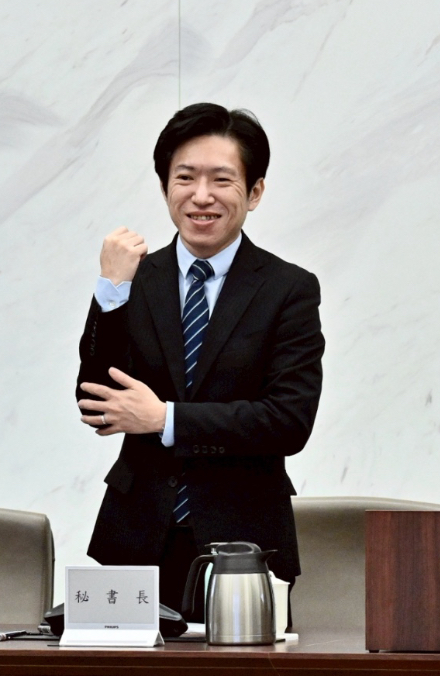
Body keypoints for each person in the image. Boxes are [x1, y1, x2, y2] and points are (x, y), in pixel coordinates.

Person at [75, 103, 324, 618]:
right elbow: (96, 405)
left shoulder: (288, 290)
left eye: (221, 179)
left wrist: (165, 419)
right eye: (185, 177)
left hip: (245, 544)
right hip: (136, 536)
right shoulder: (135, 281)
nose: (201, 196)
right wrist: (110, 292)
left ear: (254, 192)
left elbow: (288, 421)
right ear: (165, 186)